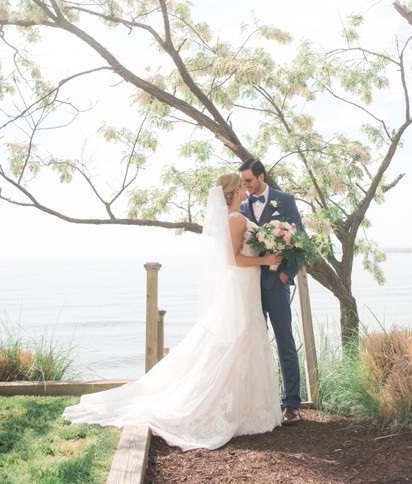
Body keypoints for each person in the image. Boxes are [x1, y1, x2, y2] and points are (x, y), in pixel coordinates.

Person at [63, 174, 284, 450]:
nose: (245, 189)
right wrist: (266, 258)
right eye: (242, 186)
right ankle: (242, 409)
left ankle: (250, 409)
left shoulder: (233, 218)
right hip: (241, 287)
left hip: (244, 287)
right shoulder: (236, 220)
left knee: (241, 337)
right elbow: (233, 259)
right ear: (236, 191)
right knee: (239, 337)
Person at [239, 158, 305, 425]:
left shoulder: (284, 201)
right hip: (248, 286)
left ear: (262, 177)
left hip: (276, 284)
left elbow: (301, 241)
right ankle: (260, 403)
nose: (245, 186)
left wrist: (286, 274)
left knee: (285, 342)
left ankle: (292, 404)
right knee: (254, 344)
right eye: (242, 181)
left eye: (249, 181)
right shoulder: (241, 205)